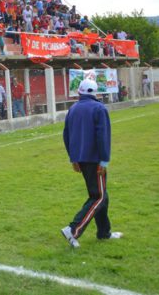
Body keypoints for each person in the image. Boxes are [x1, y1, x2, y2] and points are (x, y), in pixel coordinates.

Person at [61, 79, 122, 248]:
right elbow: (103, 136)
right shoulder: (99, 108)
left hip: (81, 159)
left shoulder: (72, 109)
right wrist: (104, 160)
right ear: (95, 92)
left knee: (101, 195)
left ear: (79, 92)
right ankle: (73, 229)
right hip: (95, 159)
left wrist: (73, 158)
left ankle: (104, 232)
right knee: (98, 196)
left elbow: (66, 135)